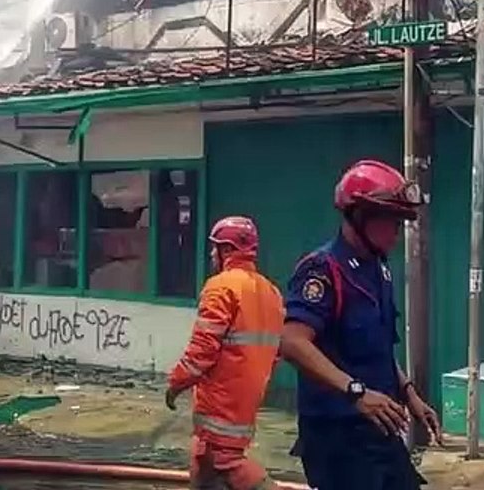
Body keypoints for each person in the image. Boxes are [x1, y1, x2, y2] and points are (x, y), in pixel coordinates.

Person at [279, 160, 440, 490]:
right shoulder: (323, 270)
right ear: (359, 216)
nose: (397, 232)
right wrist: (357, 393)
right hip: (337, 436)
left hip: (378, 430)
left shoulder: (379, 270)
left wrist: (410, 394)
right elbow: (292, 342)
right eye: (391, 221)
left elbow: (377, 348)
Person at [165, 216, 285, 490]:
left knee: (225, 460)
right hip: (247, 399)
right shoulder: (272, 293)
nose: (210, 254)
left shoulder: (221, 287)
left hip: (220, 400)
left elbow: (201, 353)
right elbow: (275, 353)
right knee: (205, 460)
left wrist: (175, 384)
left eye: (215, 247)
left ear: (228, 250)